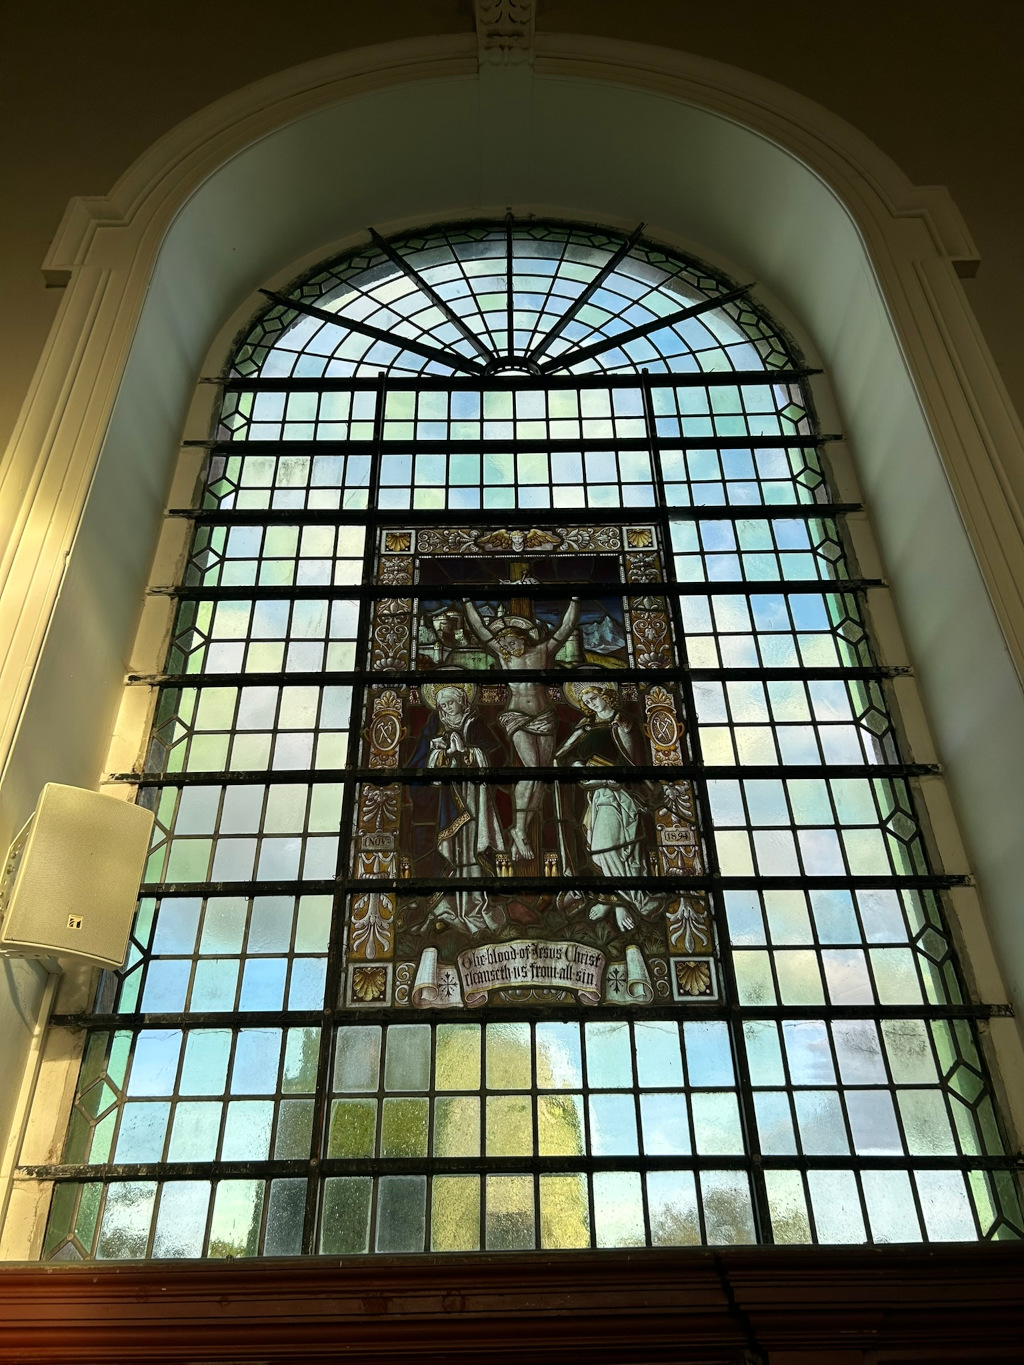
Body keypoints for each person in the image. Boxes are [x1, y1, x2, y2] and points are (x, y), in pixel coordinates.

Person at [461, 596, 580, 860]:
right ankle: (518, 829)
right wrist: (468, 602)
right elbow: (480, 629)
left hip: (544, 715)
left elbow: (566, 628)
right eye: (503, 645)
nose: (506, 648)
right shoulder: (504, 657)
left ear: (522, 638)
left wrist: (574, 599)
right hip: (516, 716)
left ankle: (520, 831)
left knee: (541, 776)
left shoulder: (543, 651)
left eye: (510, 643)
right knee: (532, 769)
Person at [557, 681, 666, 932]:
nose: (591, 704)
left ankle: (623, 902)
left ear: (606, 695)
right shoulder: (585, 726)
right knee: (600, 849)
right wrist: (575, 765)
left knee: (608, 848)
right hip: (596, 795)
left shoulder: (624, 723)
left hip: (621, 795)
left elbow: (634, 761)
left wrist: (612, 778)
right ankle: (617, 897)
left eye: (594, 698)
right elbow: (565, 754)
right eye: (586, 701)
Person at [408, 682, 507, 935]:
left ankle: (475, 907)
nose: (446, 708)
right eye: (442, 705)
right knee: (449, 848)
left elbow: (497, 756)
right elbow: (419, 764)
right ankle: (446, 909)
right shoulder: (434, 726)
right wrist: (438, 752)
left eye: (450, 703)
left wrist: (467, 752)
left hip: (473, 795)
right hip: (445, 800)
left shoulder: (475, 723)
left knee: (472, 847)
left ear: (462, 702)